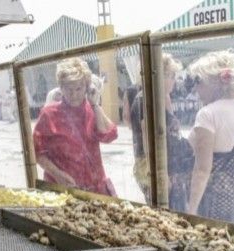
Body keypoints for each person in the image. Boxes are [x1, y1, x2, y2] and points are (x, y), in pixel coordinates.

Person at [187, 49, 234, 225]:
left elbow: (202, 170)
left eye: (198, 81)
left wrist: (192, 209)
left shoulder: (207, 114)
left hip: (214, 201)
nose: (195, 88)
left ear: (214, 83)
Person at [32, 57, 118, 195]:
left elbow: (110, 135)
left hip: (95, 189)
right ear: (60, 87)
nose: (74, 95)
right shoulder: (48, 114)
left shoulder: (92, 109)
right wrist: (57, 174)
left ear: (87, 87)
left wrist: (95, 104)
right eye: (68, 89)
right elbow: (37, 153)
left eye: (79, 88)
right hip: (63, 190)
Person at [130, 54, 184, 205]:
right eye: (170, 75)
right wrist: (158, 173)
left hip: (167, 161)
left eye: (174, 75)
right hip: (153, 164)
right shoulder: (146, 98)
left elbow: (173, 128)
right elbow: (148, 137)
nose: (174, 80)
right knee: (160, 208)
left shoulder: (163, 96)